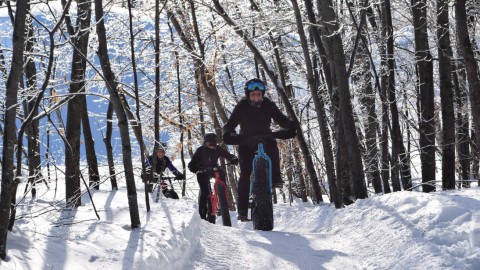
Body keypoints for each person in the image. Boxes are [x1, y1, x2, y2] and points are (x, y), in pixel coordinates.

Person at [222, 78, 296, 221]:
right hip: (246, 141)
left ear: (262, 94)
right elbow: (230, 124)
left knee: (273, 145)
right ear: (248, 95)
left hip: (265, 137)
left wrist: (289, 125)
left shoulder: (268, 104)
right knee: (245, 174)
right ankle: (242, 211)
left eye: (258, 94)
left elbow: (281, 119)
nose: (256, 97)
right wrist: (228, 132)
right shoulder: (242, 106)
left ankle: (275, 177)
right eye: (253, 95)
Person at [188, 133, 238, 221]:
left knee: (221, 173)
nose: (212, 145)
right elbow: (191, 165)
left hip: (213, 169)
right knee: (205, 192)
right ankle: (202, 216)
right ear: (205, 143)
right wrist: (196, 169)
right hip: (202, 171)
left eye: (214, 143)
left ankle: (222, 197)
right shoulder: (200, 150)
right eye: (209, 143)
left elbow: (228, 155)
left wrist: (233, 158)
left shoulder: (218, 149)